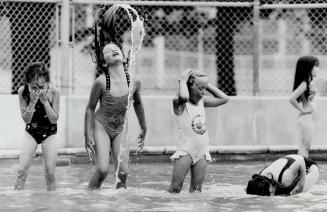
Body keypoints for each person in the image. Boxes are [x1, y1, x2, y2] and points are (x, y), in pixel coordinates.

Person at [84, 41, 147, 189]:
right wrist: (87, 135)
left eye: (116, 49)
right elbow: (90, 108)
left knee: (123, 173)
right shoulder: (100, 82)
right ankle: (89, 198)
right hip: (102, 126)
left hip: (120, 128)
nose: (113, 50)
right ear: (105, 63)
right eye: (108, 51)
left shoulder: (134, 81)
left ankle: (119, 204)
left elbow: (138, 103)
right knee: (102, 171)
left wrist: (144, 127)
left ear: (123, 57)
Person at [168, 69, 230, 193]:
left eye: (204, 88)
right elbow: (184, 97)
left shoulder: (202, 102)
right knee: (175, 188)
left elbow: (224, 98)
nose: (203, 92)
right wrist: (182, 80)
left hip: (202, 151)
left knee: (197, 190)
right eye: (200, 88)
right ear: (189, 86)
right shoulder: (179, 103)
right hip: (186, 151)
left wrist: (205, 84)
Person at [14, 62, 60, 191]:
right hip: (31, 132)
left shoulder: (55, 92)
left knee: (50, 174)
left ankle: (51, 205)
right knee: (22, 172)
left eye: (41, 86)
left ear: (47, 82)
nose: (38, 90)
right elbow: (26, 119)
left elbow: (54, 119)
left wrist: (45, 102)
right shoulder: (23, 92)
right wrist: (32, 102)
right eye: (33, 87)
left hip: (49, 132)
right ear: (27, 84)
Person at [289, 56, 320, 157]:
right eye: (315, 66)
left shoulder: (310, 82)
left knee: (304, 145)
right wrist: (302, 110)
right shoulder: (304, 84)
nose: (317, 68)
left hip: (309, 118)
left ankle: (302, 168)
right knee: (305, 146)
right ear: (308, 68)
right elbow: (292, 98)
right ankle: (303, 168)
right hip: (306, 118)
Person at [246, 154, 319, 196]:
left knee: (296, 195)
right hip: (291, 160)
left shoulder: (285, 178)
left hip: (308, 166)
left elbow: (301, 162)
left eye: (270, 191)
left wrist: (301, 186)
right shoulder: (259, 178)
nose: (271, 192)